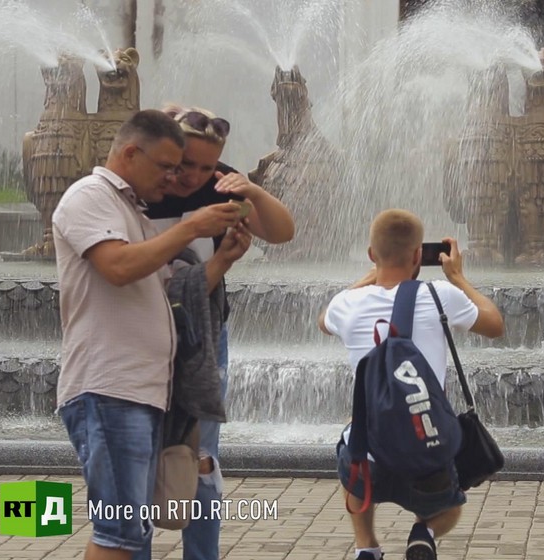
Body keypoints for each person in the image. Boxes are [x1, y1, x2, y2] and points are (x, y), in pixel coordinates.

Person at [52, 109, 248, 560]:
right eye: (165, 166)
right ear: (129, 153)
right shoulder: (90, 195)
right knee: (120, 533)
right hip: (109, 388)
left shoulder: (132, 213)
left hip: (140, 391)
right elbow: (117, 267)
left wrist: (222, 260)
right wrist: (190, 228)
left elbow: (170, 294)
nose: (174, 178)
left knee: (129, 531)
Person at [144, 105, 294, 560]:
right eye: (185, 164)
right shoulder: (141, 188)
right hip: (143, 334)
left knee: (202, 455)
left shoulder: (219, 184)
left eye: (207, 167)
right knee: (139, 454)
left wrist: (251, 190)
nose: (194, 176)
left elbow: (282, 231)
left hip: (204, 336)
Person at [319, 209, 504, 560]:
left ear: (371, 254)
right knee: (451, 507)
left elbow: (322, 321)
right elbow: (495, 324)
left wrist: (373, 274)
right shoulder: (439, 295)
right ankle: (424, 531)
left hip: (370, 464)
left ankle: (366, 546)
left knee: (353, 434)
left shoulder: (345, 305)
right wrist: (458, 278)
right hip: (427, 458)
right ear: (419, 255)